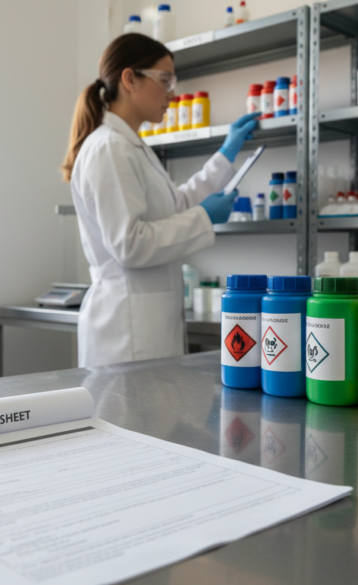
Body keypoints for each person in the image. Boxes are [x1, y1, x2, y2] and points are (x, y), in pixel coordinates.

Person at [63, 33, 259, 368]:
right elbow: (130, 245)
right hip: (125, 332)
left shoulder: (132, 146)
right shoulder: (109, 148)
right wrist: (204, 217)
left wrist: (226, 154)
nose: (172, 93)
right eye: (165, 80)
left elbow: (176, 205)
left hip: (144, 327)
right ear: (129, 79)